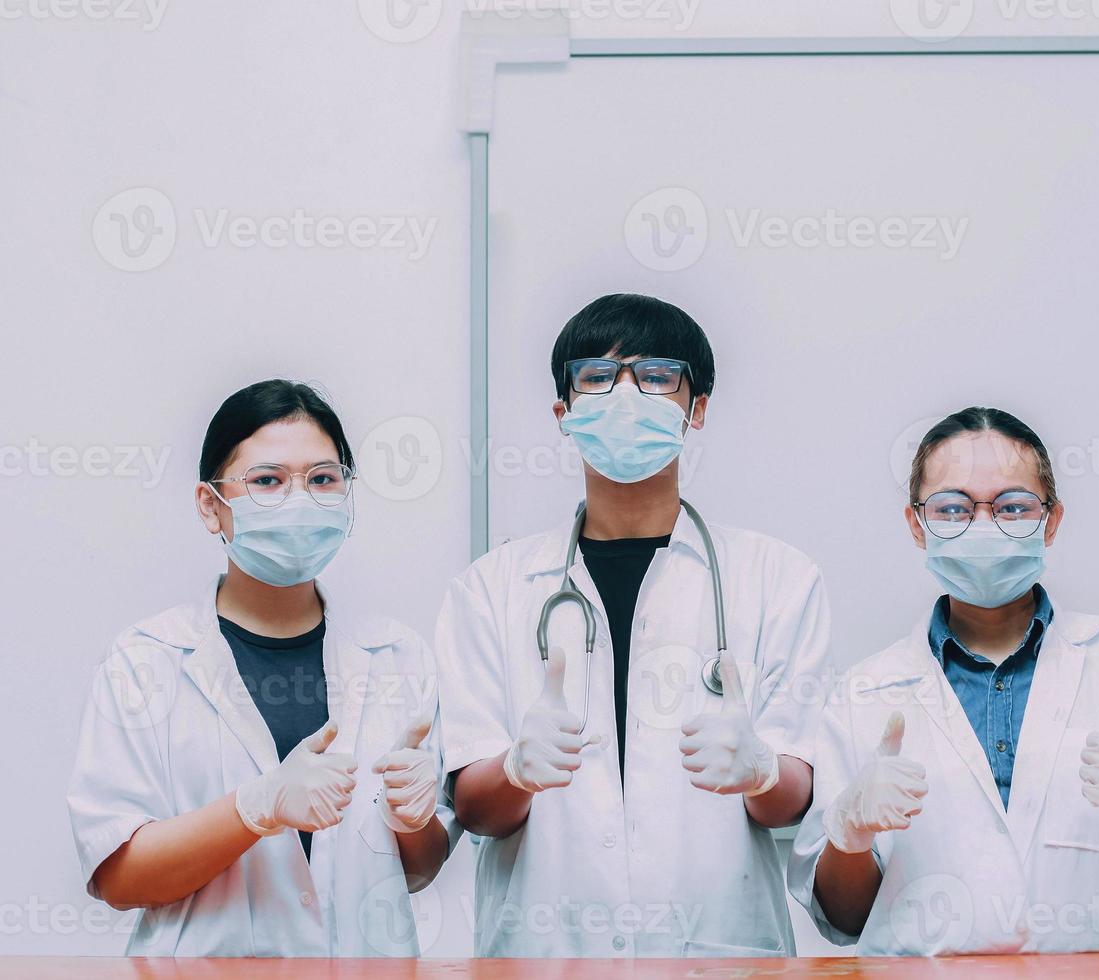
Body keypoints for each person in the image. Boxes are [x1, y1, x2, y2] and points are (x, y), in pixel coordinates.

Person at [437, 293, 831, 957]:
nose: (624, 394)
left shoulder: (778, 579)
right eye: (596, 376)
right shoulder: (490, 589)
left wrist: (761, 770)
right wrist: (515, 770)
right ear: (563, 413)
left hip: (723, 953)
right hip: (545, 954)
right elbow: (476, 811)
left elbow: (793, 804)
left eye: (654, 377)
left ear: (696, 408)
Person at [789, 406, 1099, 954]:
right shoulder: (863, 694)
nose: (984, 526)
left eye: (1013, 506)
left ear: (1051, 521)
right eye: (953, 508)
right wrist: (852, 836)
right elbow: (844, 916)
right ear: (916, 525)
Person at [67, 380, 457, 956]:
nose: (299, 499)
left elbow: (419, 869)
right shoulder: (145, 660)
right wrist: (254, 809)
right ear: (211, 505)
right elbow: (119, 879)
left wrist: (414, 820)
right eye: (267, 480)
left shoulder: (398, 656)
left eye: (323, 479)